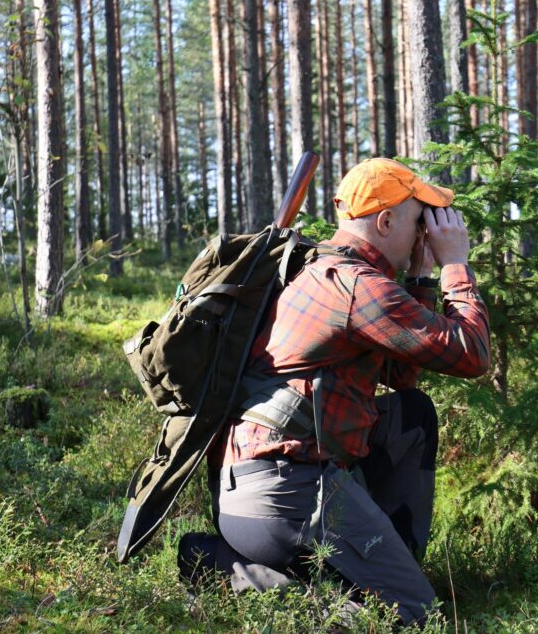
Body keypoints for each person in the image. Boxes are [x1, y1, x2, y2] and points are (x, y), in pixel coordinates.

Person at [178, 158, 491, 624]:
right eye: (416, 219)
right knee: (411, 619)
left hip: (255, 491)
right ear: (385, 221)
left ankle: (385, 561)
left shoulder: (321, 269)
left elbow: (402, 375)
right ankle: (229, 570)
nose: (426, 231)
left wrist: (421, 276)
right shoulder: (355, 286)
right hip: (284, 495)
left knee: (412, 413)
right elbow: (471, 354)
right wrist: (455, 266)